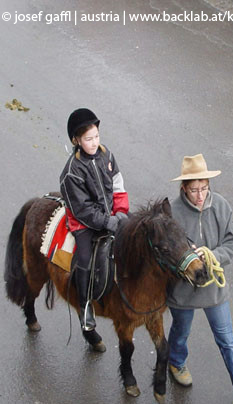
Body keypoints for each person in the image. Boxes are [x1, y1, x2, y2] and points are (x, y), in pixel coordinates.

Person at [166, 154, 233, 404]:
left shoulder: (221, 206)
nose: (200, 195)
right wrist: (186, 260)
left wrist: (212, 256)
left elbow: (232, 243)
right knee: (181, 331)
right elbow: (165, 254)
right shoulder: (171, 213)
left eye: (204, 188)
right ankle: (176, 362)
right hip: (182, 290)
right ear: (184, 187)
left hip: (213, 288)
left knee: (228, 341)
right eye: (194, 189)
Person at [59, 108, 129, 331]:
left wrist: (120, 212)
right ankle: (85, 305)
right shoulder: (71, 171)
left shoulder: (106, 154)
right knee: (85, 257)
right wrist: (106, 223)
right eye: (88, 139)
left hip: (110, 213)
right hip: (85, 223)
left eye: (96, 136)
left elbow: (118, 184)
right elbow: (82, 209)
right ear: (76, 140)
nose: (94, 142)